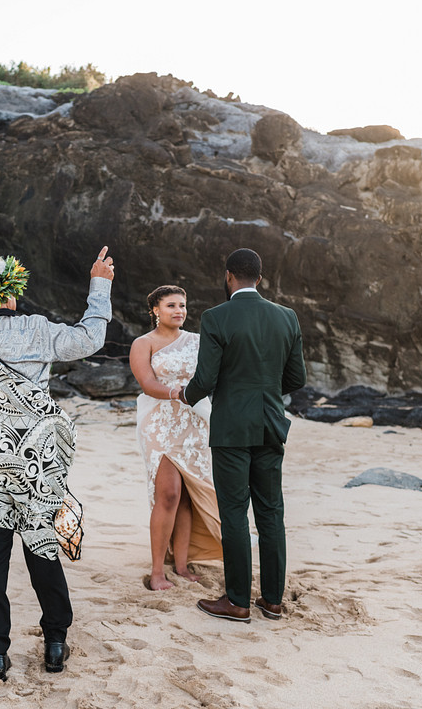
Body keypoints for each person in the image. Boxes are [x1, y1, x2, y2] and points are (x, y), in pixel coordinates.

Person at [0, 248, 115, 683]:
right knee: (41, 545)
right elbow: (89, 339)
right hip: (34, 463)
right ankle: (55, 642)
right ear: (10, 294)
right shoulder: (33, 329)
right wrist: (100, 284)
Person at [180, 248, 306, 623]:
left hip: (232, 428)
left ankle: (236, 601)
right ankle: (272, 601)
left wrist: (186, 396)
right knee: (271, 513)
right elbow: (296, 379)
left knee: (234, 513)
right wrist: (264, 390)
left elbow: (205, 379)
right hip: (270, 424)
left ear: (229, 276)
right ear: (260, 279)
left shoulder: (216, 317)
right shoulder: (287, 317)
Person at [129, 285, 223, 591]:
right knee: (168, 493)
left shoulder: (197, 341)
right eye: (171, 305)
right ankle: (157, 571)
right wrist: (179, 393)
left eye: (182, 305)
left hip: (195, 425)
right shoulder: (143, 343)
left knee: (185, 498)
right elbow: (147, 383)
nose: (179, 310)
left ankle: (180, 565)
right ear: (156, 310)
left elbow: (215, 375)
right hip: (159, 424)